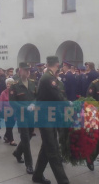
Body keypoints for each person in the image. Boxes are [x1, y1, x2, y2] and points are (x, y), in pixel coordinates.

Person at [33, 56, 69, 184]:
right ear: (57, 64)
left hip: (49, 116)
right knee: (53, 151)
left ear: (47, 63)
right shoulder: (49, 78)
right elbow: (58, 97)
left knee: (46, 147)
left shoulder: (48, 76)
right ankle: (63, 181)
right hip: (46, 117)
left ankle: (37, 176)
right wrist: (69, 105)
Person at [10, 62, 36, 174]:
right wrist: (25, 108)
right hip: (21, 115)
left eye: (29, 70)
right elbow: (12, 102)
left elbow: (37, 97)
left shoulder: (33, 83)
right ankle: (29, 164)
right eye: (25, 70)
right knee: (25, 139)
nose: (28, 72)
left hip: (31, 115)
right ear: (20, 71)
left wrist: (34, 105)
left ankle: (18, 152)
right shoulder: (15, 85)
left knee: (29, 135)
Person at [0, 78, 17, 145]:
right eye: (7, 84)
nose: (8, 85)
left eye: (9, 84)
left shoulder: (16, 92)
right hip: (6, 111)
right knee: (9, 124)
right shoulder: (4, 92)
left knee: (12, 124)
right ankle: (11, 140)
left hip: (14, 111)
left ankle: (6, 136)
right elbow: (0, 102)